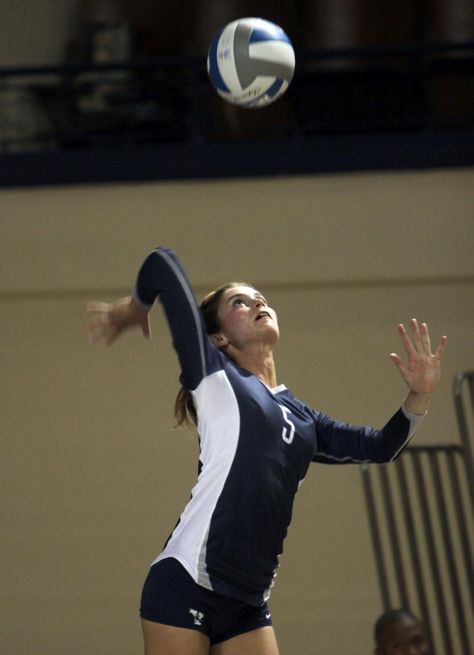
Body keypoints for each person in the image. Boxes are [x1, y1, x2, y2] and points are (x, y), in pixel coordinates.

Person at [87, 246, 447, 655]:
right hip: (186, 582)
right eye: (239, 302)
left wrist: (419, 395)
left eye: (259, 296)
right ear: (218, 337)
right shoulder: (213, 375)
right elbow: (162, 263)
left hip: (248, 603)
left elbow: (381, 447)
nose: (258, 301)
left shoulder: (304, 418)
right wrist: (138, 305)